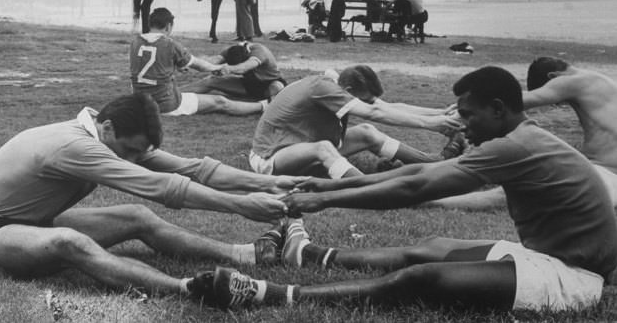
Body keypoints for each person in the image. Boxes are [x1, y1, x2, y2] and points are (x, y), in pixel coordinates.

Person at [199, 66, 617, 312]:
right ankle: (309, 254)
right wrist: (332, 184)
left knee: (421, 277)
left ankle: (276, 294)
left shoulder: (515, 147)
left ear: (498, 110)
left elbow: (415, 187)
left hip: (576, 278)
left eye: (469, 116)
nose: (463, 125)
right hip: (548, 257)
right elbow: (410, 176)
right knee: (433, 245)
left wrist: (324, 197)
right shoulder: (521, 138)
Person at [0, 93, 309, 297]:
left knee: (137, 216)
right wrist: (241, 206)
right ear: (109, 126)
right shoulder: (75, 146)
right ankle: (188, 287)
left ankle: (249, 254)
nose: (133, 158)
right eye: (130, 151)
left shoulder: (106, 137)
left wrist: (267, 184)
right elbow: (161, 187)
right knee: (70, 242)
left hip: (32, 223)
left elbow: (194, 169)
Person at [434, 56, 617, 209]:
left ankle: (432, 202)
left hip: (608, 175)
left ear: (553, 76)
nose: (558, 104)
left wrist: (468, 107)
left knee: (526, 189)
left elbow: (516, 101)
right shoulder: (600, 81)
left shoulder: (572, 81)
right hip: (602, 169)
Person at [248, 65, 461, 178]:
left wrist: (438, 114)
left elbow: (387, 106)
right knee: (323, 148)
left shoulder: (337, 85)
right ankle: (370, 187)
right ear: (349, 91)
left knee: (367, 132)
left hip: (298, 146)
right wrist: (431, 125)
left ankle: (434, 163)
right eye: (365, 99)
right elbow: (375, 112)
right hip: (271, 157)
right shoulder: (323, 88)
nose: (369, 103)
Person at [130, 7, 265, 116]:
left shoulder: (135, 42)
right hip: (165, 104)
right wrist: (216, 68)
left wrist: (174, 66)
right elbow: (199, 65)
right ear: (168, 26)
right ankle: (264, 106)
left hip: (140, 103)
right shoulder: (170, 44)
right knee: (220, 101)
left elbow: (151, 63)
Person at [181, 41, 286, 102]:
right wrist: (188, 64)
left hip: (269, 84)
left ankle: (268, 105)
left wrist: (228, 69)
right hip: (249, 85)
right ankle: (174, 94)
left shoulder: (259, 52)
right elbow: (213, 61)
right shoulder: (231, 51)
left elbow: (244, 67)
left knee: (277, 87)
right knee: (211, 81)